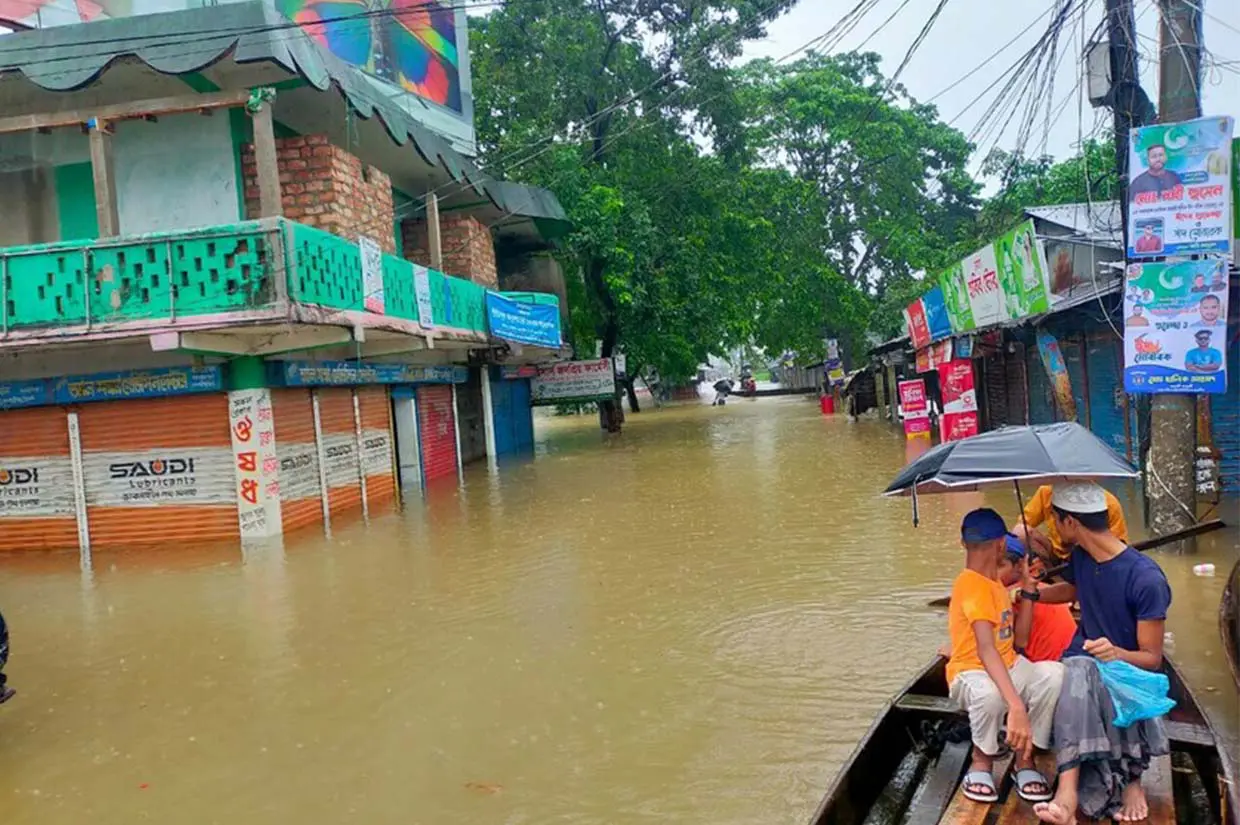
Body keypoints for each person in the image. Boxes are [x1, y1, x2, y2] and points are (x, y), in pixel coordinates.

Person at [1031, 483, 1172, 825]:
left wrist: (1116, 653)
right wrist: (1030, 593)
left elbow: (1151, 659)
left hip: (1127, 674)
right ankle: (1073, 790)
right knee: (1077, 667)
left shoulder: (1146, 578)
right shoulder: (1082, 557)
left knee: (1078, 669)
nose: (1053, 529)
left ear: (1070, 523)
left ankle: (1115, 784)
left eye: (1055, 521)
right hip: (1087, 665)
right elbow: (1072, 589)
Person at [947, 509, 1064, 805]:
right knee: (990, 695)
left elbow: (1020, 640)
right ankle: (981, 760)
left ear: (964, 544)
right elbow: (986, 650)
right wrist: (1016, 706)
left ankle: (1025, 759)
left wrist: (1027, 591)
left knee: (1054, 675)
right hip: (970, 672)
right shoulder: (970, 584)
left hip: (1008, 664)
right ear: (1001, 545)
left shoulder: (996, 584)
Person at [997, 535, 1078, 664]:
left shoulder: (1006, 596)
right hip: (1071, 657)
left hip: (1048, 665)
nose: (990, 573)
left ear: (1019, 566)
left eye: (999, 566)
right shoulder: (1043, 588)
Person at [1011, 484, 1128, 560]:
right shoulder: (1046, 492)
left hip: (1091, 552)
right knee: (1020, 531)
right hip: (1056, 553)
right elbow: (1023, 524)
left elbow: (1117, 543)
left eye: (1055, 517)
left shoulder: (1109, 503)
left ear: (1069, 522)